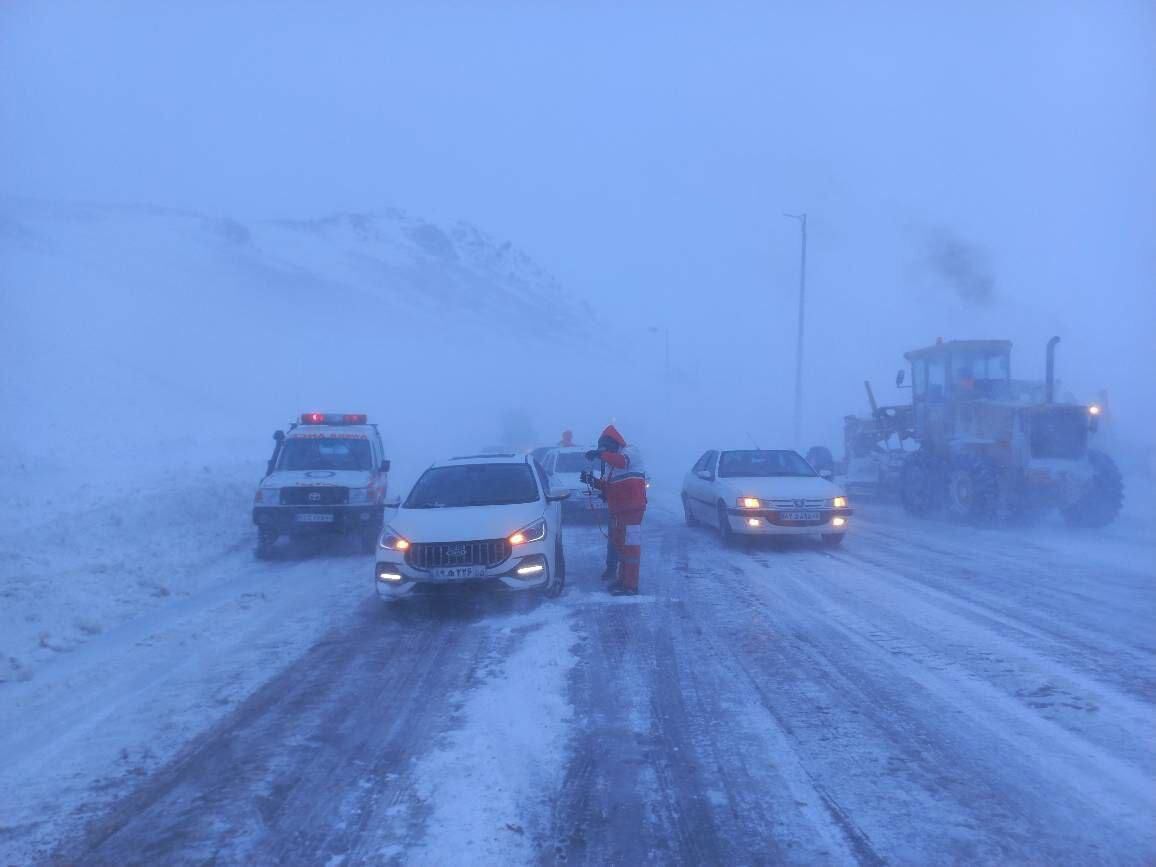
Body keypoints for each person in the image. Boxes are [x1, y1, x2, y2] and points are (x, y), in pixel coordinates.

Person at [582, 424, 647, 596]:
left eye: (606, 448)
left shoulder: (630, 451)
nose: (604, 453)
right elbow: (607, 486)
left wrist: (600, 454)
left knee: (631, 548)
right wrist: (591, 481)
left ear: (614, 443)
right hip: (618, 510)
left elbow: (622, 462)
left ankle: (631, 586)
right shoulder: (610, 466)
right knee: (621, 547)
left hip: (633, 509)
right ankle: (622, 580)